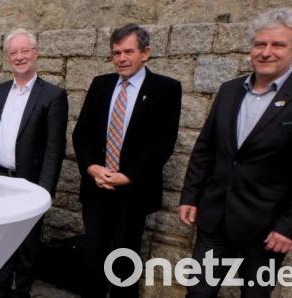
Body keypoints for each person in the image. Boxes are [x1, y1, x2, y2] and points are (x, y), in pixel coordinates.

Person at [179, 8, 292, 297]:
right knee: (198, 292)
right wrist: (190, 195)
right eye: (259, 44)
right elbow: (205, 149)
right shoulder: (229, 90)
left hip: (267, 230)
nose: (266, 52)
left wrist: (291, 227)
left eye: (277, 45)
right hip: (215, 219)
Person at [72, 23, 182, 298]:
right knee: (92, 260)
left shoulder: (166, 89)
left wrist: (129, 176)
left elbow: (162, 143)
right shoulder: (101, 85)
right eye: (116, 52)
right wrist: (91, 167)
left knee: (124, 262)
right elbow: (81, 133)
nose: (121, 58)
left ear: (145, 53)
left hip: (133, 191)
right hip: (97, 187)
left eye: (128, 51)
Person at [0, 28, 68, 298]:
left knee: (28, 242)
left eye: (25, 51)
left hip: (30, 181)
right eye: (14, 52)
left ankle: (22, 290)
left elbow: (54, 148)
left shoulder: (53, 95)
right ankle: (1, 289)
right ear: (7, 57)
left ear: (35, 53)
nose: (19, 57)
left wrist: (45, 190)